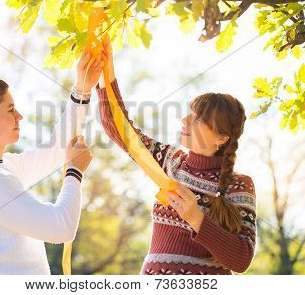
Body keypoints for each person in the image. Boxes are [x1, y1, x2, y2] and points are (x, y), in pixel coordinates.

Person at [97, 37, 257, 275]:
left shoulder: (239, 185)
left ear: (222, 138)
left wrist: (195, 217)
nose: (185, 120)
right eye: (189, 113)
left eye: (199, 118)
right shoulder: (172, 161)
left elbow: (241, 259)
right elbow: (122, 131)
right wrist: (105, 72)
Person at [0, 50, 104, 274]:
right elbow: (60, 227)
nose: (19, 116)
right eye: (11, 109)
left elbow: (56, 149)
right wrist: (74, 172)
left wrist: (82, 88)